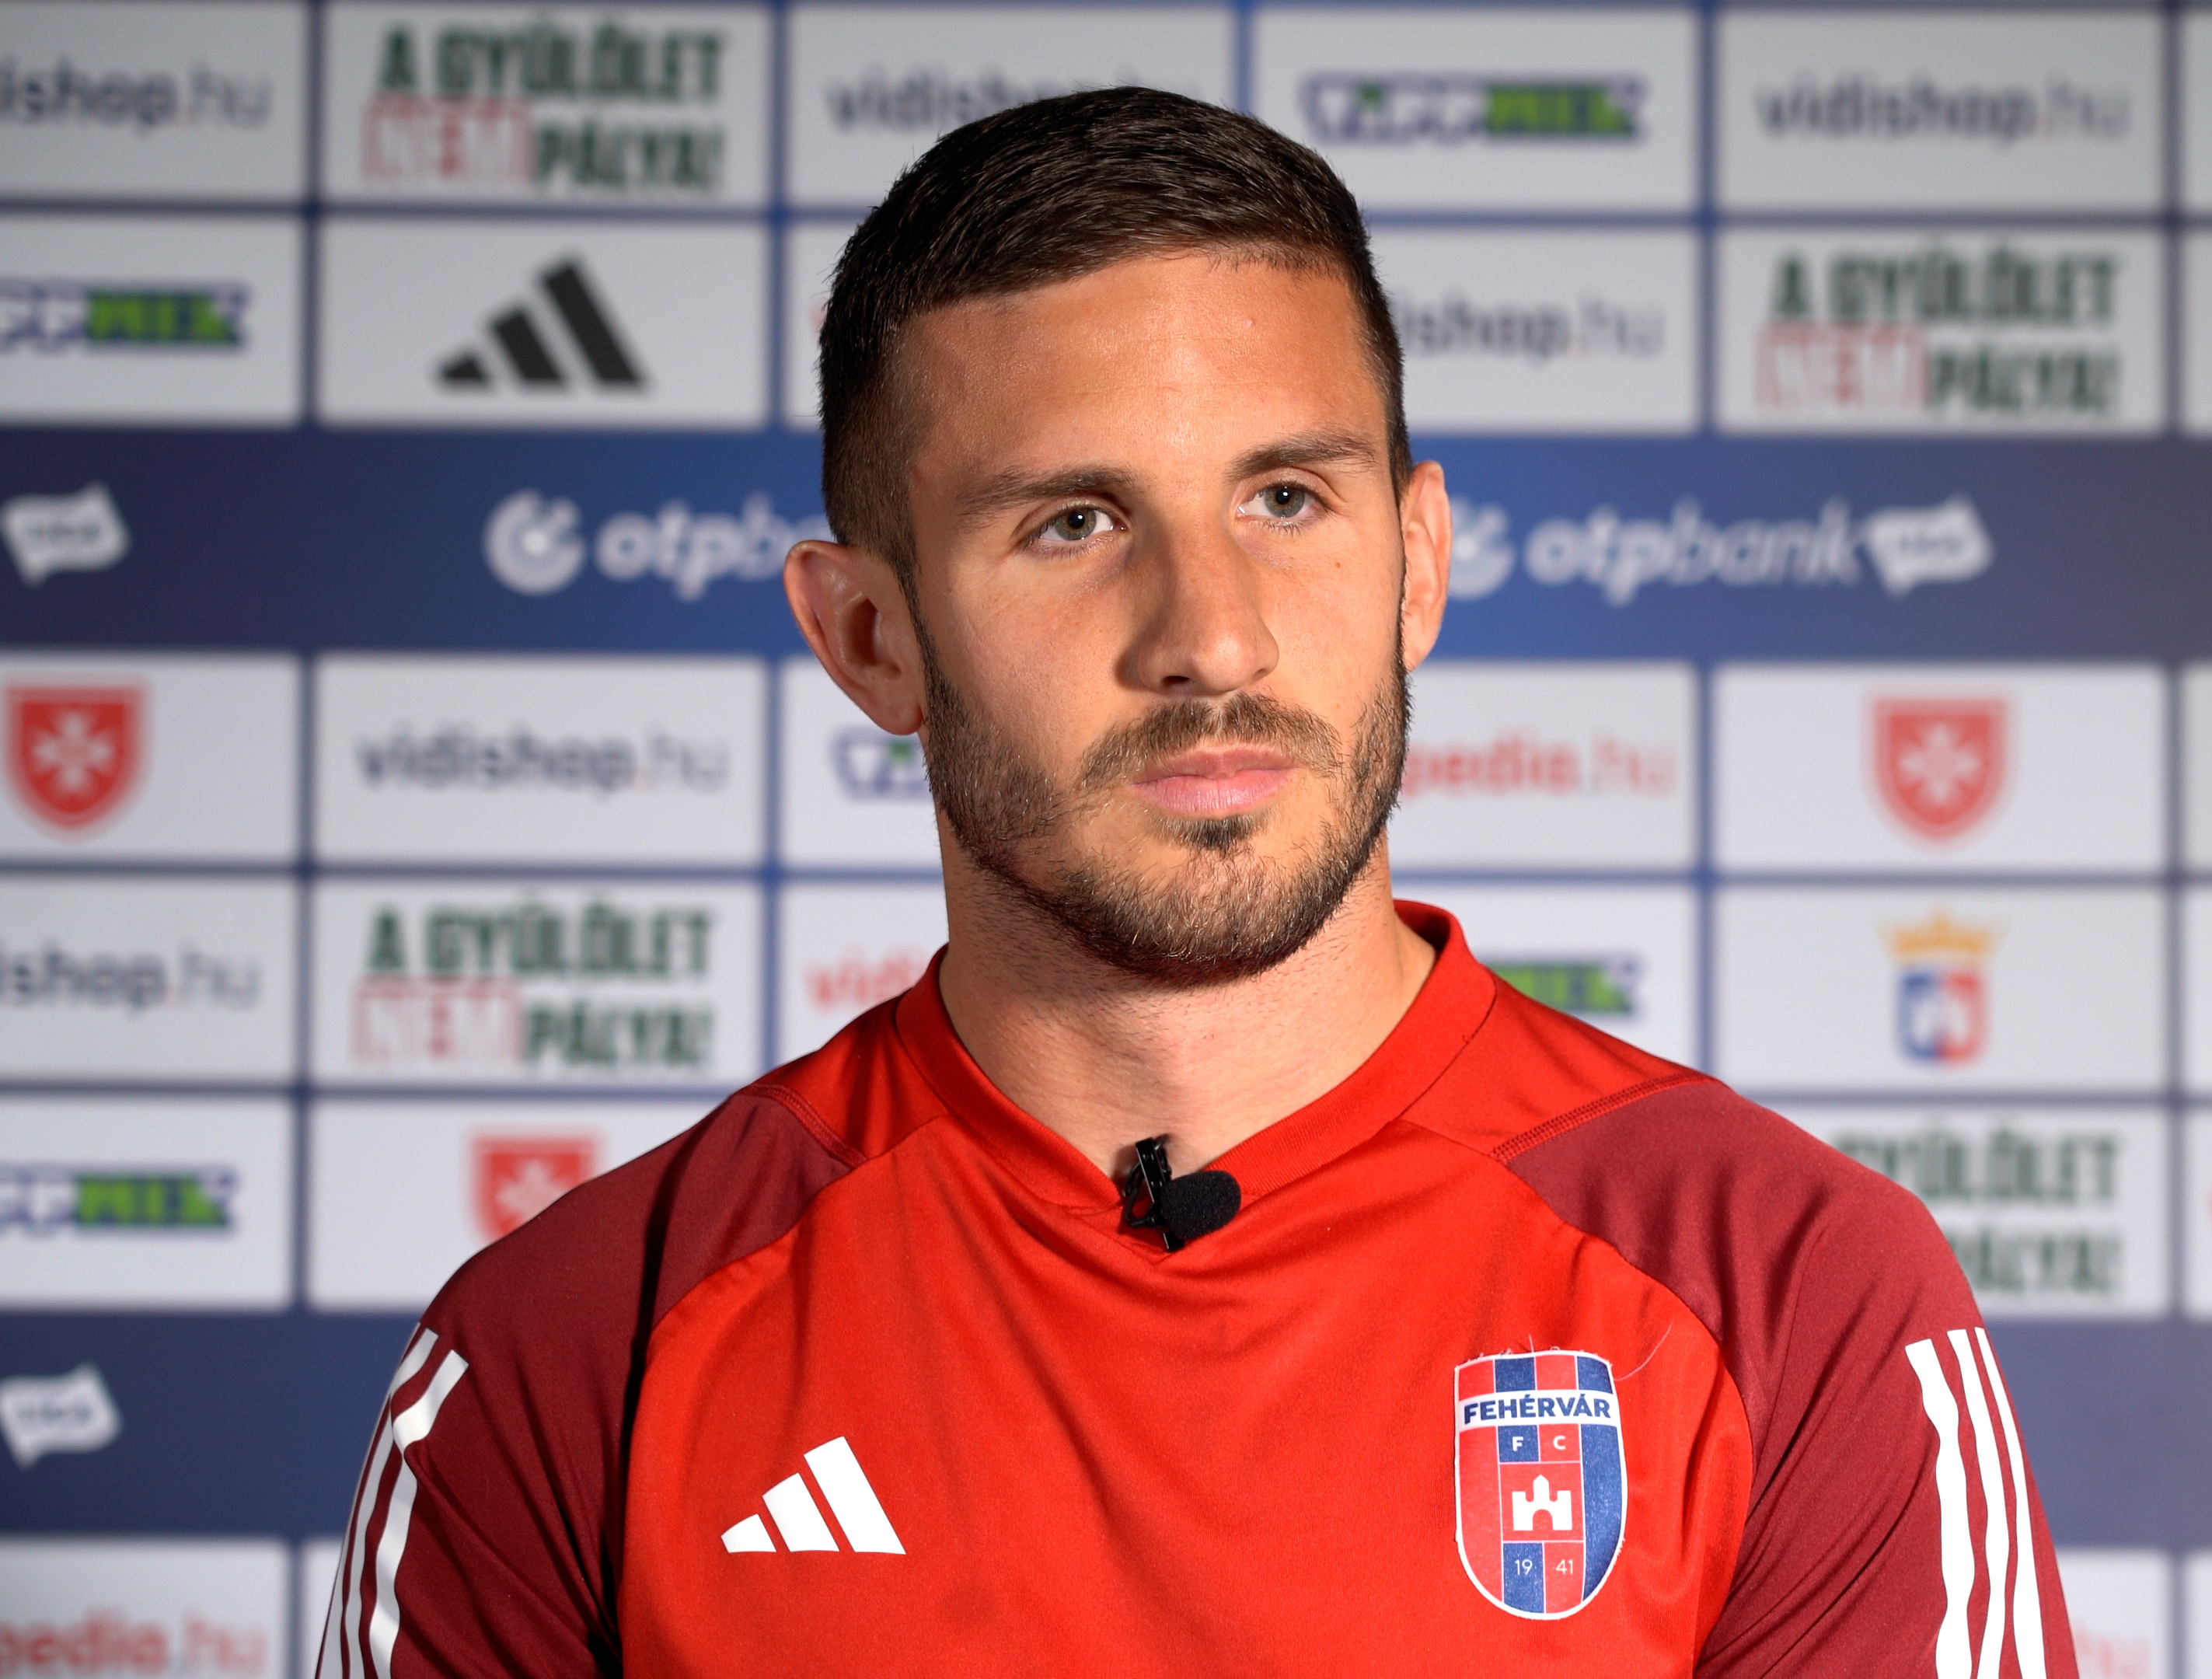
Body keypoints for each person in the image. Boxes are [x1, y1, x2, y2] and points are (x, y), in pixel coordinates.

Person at [316, 87, 2073, 1677]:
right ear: (869, 638)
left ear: (1417, 564)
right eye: (1072, 524)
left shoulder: (1792, 1293)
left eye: (1287, 499)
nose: (1211, 637)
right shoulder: (573, 1357)